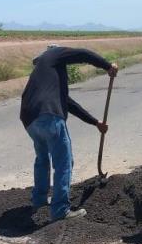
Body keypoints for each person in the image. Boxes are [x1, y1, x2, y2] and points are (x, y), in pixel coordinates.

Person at [19, 46, 118, 220]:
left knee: (42, 159)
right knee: (64, 162)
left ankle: (39, 200)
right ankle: (60, 210)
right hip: (48, 115)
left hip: (29, 119)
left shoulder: (44, 75)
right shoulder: (54, 54)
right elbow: (83, 53)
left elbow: (68, 103)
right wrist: (107, 66)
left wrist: (96, 123)